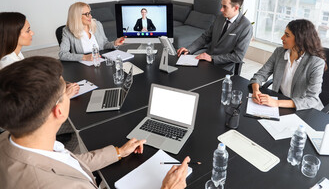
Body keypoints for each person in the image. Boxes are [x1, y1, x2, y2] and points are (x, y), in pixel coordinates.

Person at [0, 56, 190, 189]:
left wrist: (118, 152)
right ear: (58, 111)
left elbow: (67, 164)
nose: (68, 92)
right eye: (64, 91)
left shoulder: (11, 138)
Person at [249, 19, 326, 110]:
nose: (282, 38)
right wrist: (256, 91)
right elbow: (260, 75)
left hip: (304, 108)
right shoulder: (279, 52)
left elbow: (312, 99)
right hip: (282, 102)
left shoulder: (316, 63)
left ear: (299, 39)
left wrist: (276, 102)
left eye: (287, 35)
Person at [0, 12, 79, 97]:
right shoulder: (8, 64)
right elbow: (29, 104)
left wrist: (58, 88)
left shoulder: (16, 54)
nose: (32, 33)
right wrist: (64, 96)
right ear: (13, 35)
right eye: (28, 30)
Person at [177, 0, 253, 72]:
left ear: (236, 8)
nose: (221, 9)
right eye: (221, 6)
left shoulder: (246, 26)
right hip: (207, 60)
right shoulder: (220, 18)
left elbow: (237, 56)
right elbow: (205, 37)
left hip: (224, 67)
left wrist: (211, 58)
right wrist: (189, 49)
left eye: (225, 6)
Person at [59, 2, 125, 61]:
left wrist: (114, 43)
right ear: (77, 16)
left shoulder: (97, 25)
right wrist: (84, 57)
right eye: (86, 14)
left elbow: (104, 44)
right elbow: (63, 54)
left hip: (99, 60)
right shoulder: (67, 31)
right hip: (82, 66)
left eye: (90, 13)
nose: (90, 16)